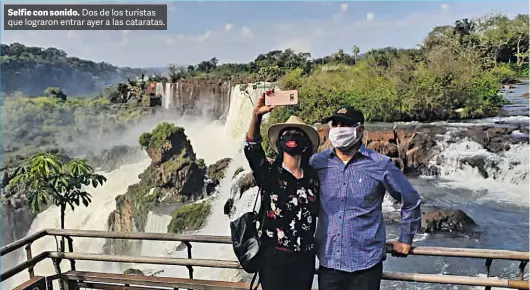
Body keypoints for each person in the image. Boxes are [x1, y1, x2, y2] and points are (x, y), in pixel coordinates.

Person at [310, 105, 422, 290]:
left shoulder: (380, 165)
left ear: (360, 130)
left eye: (344, 125)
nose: (338, 129)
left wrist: (406, 238)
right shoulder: (318, 163)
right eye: (335, 124)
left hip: (366, 264)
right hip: (329, 261)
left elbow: (410, 200)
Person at [243, 91, 321, 290]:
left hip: (305, 259)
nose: (292, 137)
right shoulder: (268, 173)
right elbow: (252, 146)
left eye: (298, 134)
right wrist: (256, 116)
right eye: (287, 133)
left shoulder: (313, 177)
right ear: (279, 143)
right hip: (274, 258)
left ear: (305, 145)